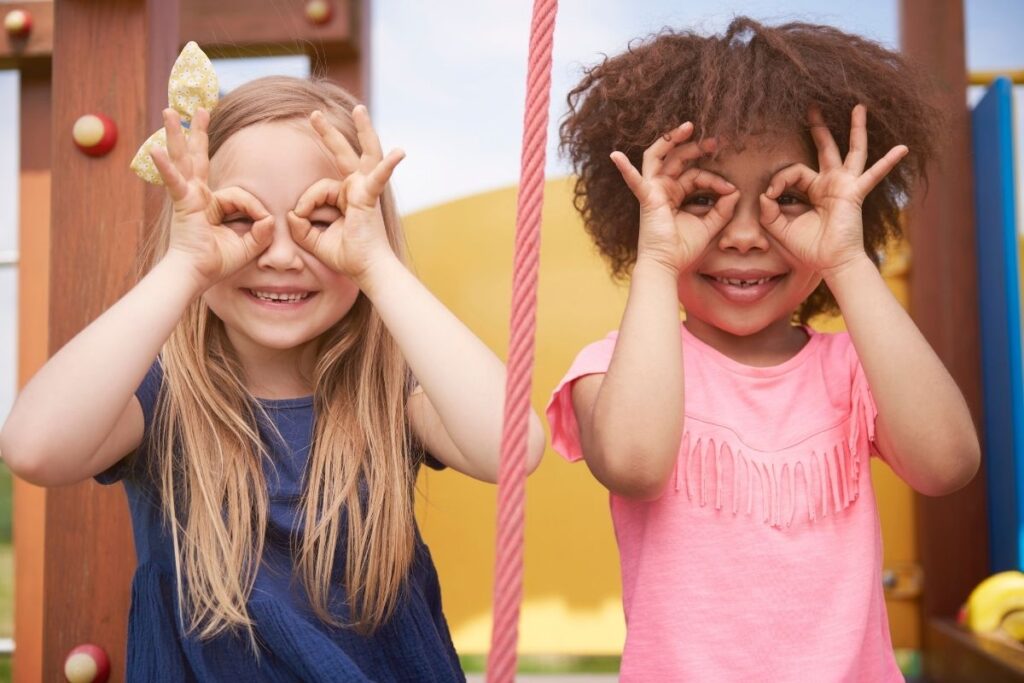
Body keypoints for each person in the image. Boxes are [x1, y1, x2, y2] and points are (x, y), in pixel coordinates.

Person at [1, 43, 544, 681]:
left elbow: (514, 449)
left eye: (321, 218)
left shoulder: (389, 389)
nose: (283, 255)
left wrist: (375, 265)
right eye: (239, 218)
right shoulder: (162, 395)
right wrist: (186, 264)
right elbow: (35, 447)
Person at [547, 18, 979, 681]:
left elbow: (947, 462)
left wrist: (846, 256)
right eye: (700, 198)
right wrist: (659, 257)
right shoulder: (613, 367)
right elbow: (634, 462)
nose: (745, 233)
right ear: (633, 207)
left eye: (790, 196)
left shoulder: (853, 370)